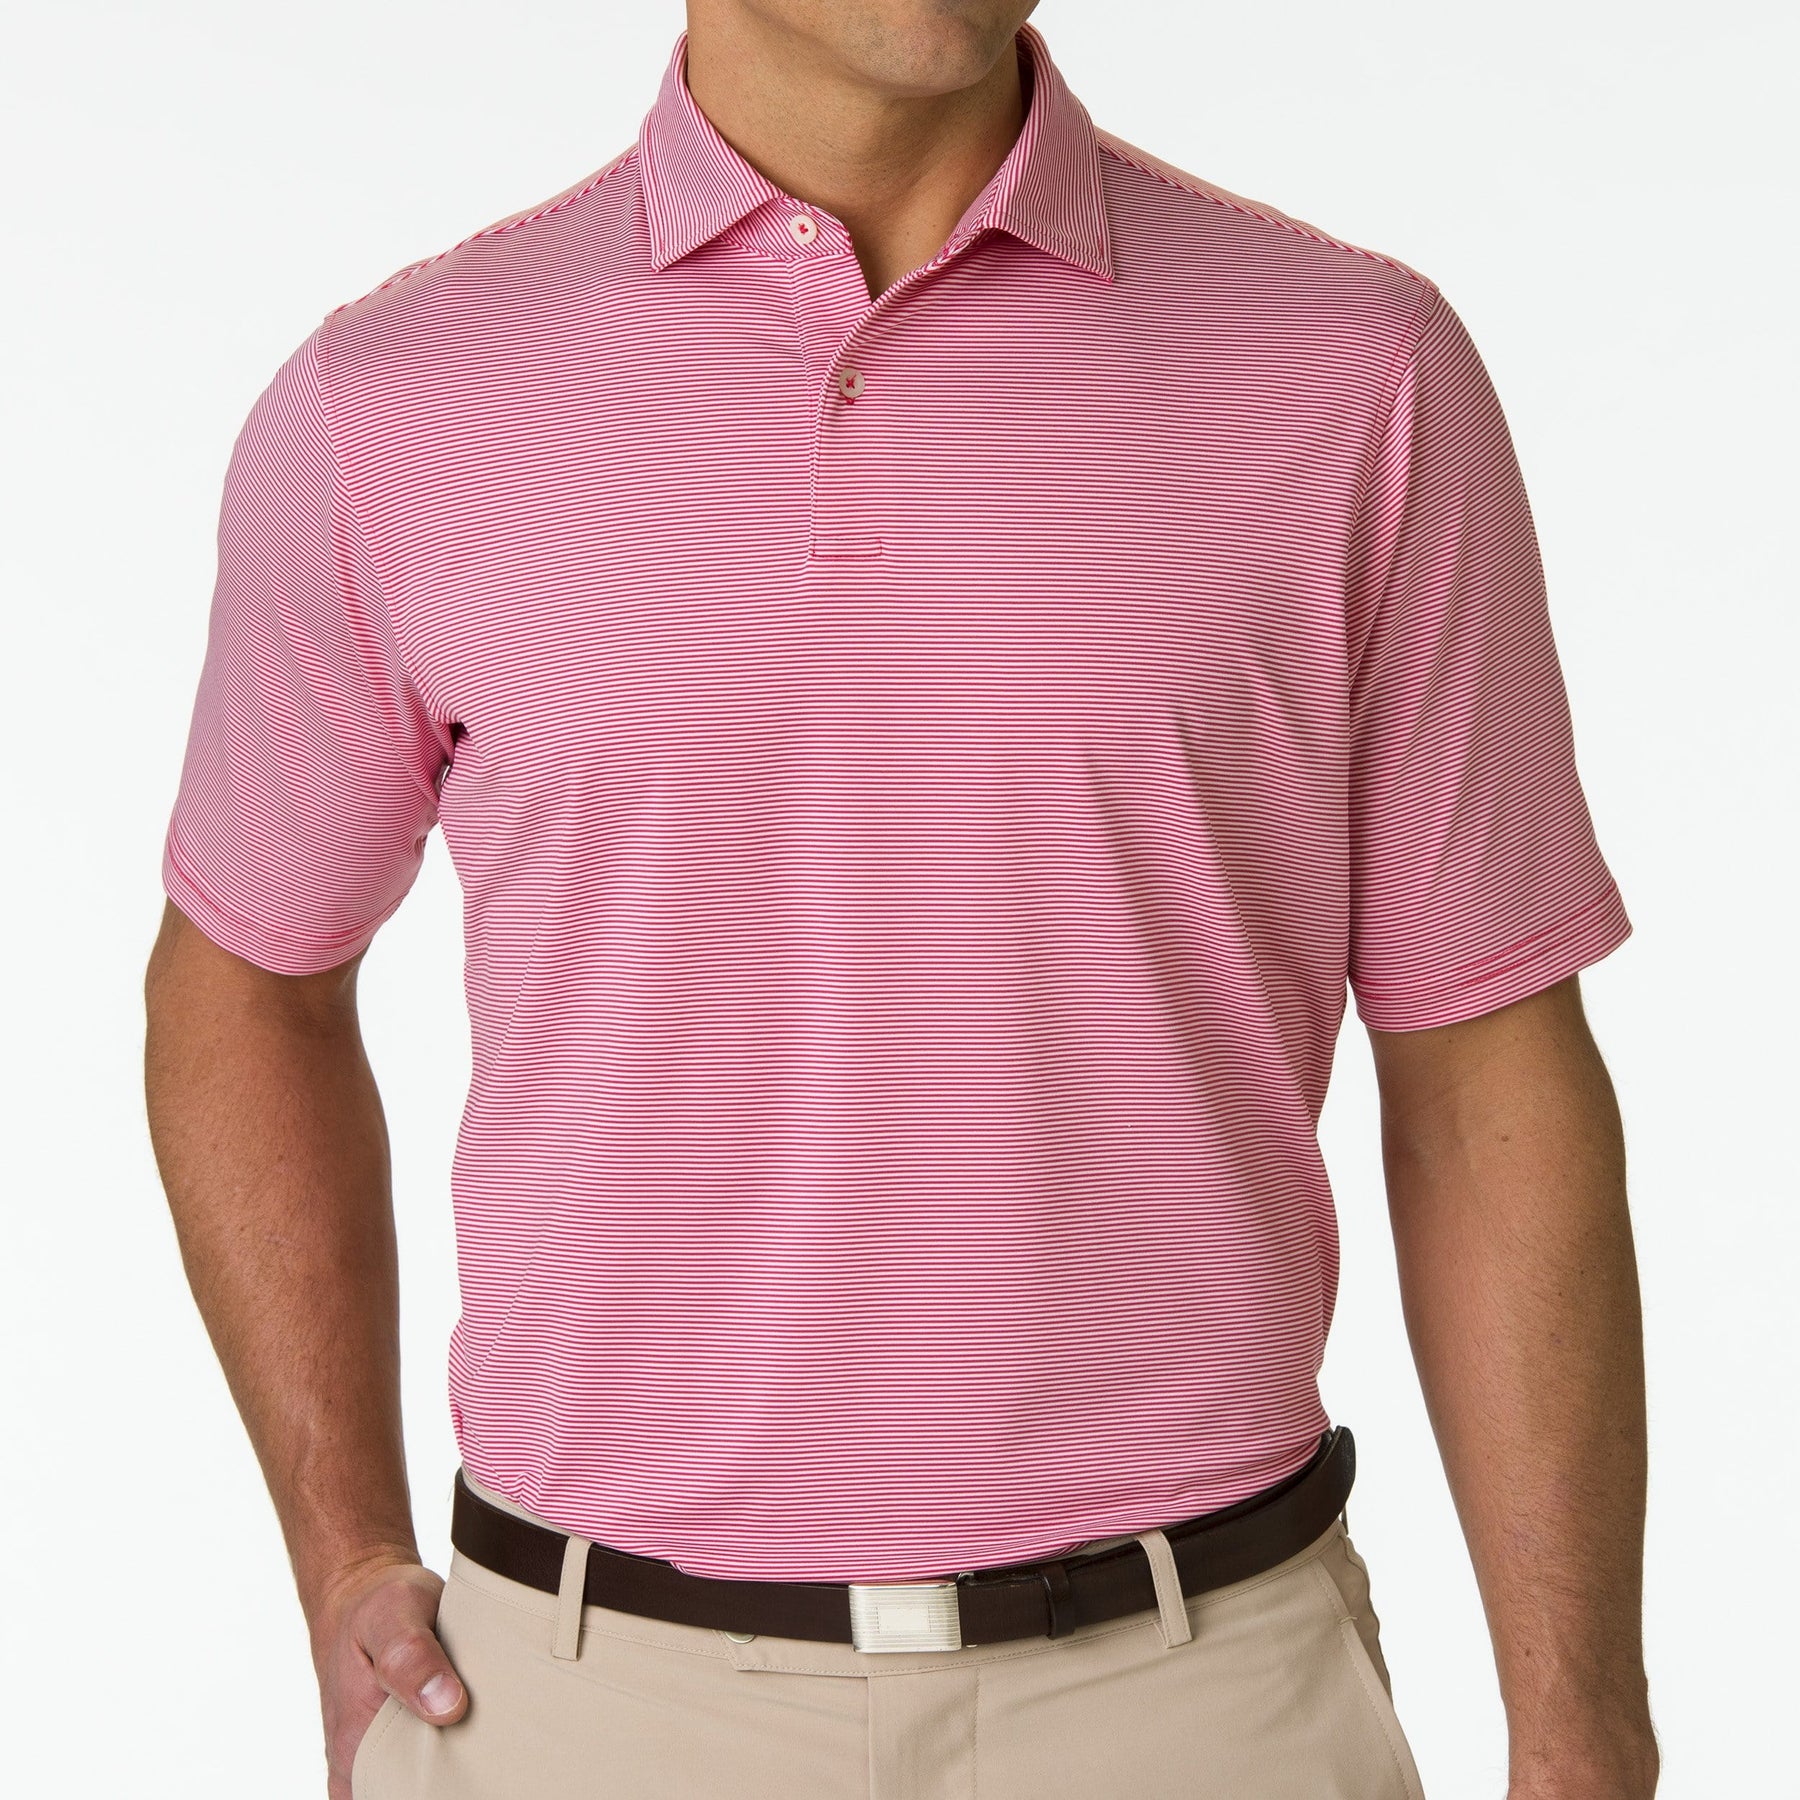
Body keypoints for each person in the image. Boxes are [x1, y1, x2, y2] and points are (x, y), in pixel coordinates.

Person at [142, 4, 1658, 1796]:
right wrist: (341, 1548)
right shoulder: (393, 404)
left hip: (1199, 1707)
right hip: (590, 1712)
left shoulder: (1352, 372)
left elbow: (1486, 1075)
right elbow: (241, 983)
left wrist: (1581, 1728)